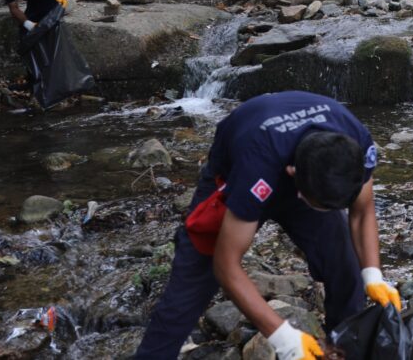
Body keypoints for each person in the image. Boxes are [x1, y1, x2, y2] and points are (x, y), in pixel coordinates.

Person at [132, 91, 399, 360]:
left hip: (312, 176)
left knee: (346, 266)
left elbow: (362, 211)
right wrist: (283, 336)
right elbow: (226, 266)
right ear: (293, 176)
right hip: (243, 168)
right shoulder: (256, 166)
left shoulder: (355, 144)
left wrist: (373, 274)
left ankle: (344, 348)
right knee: (193, 278)